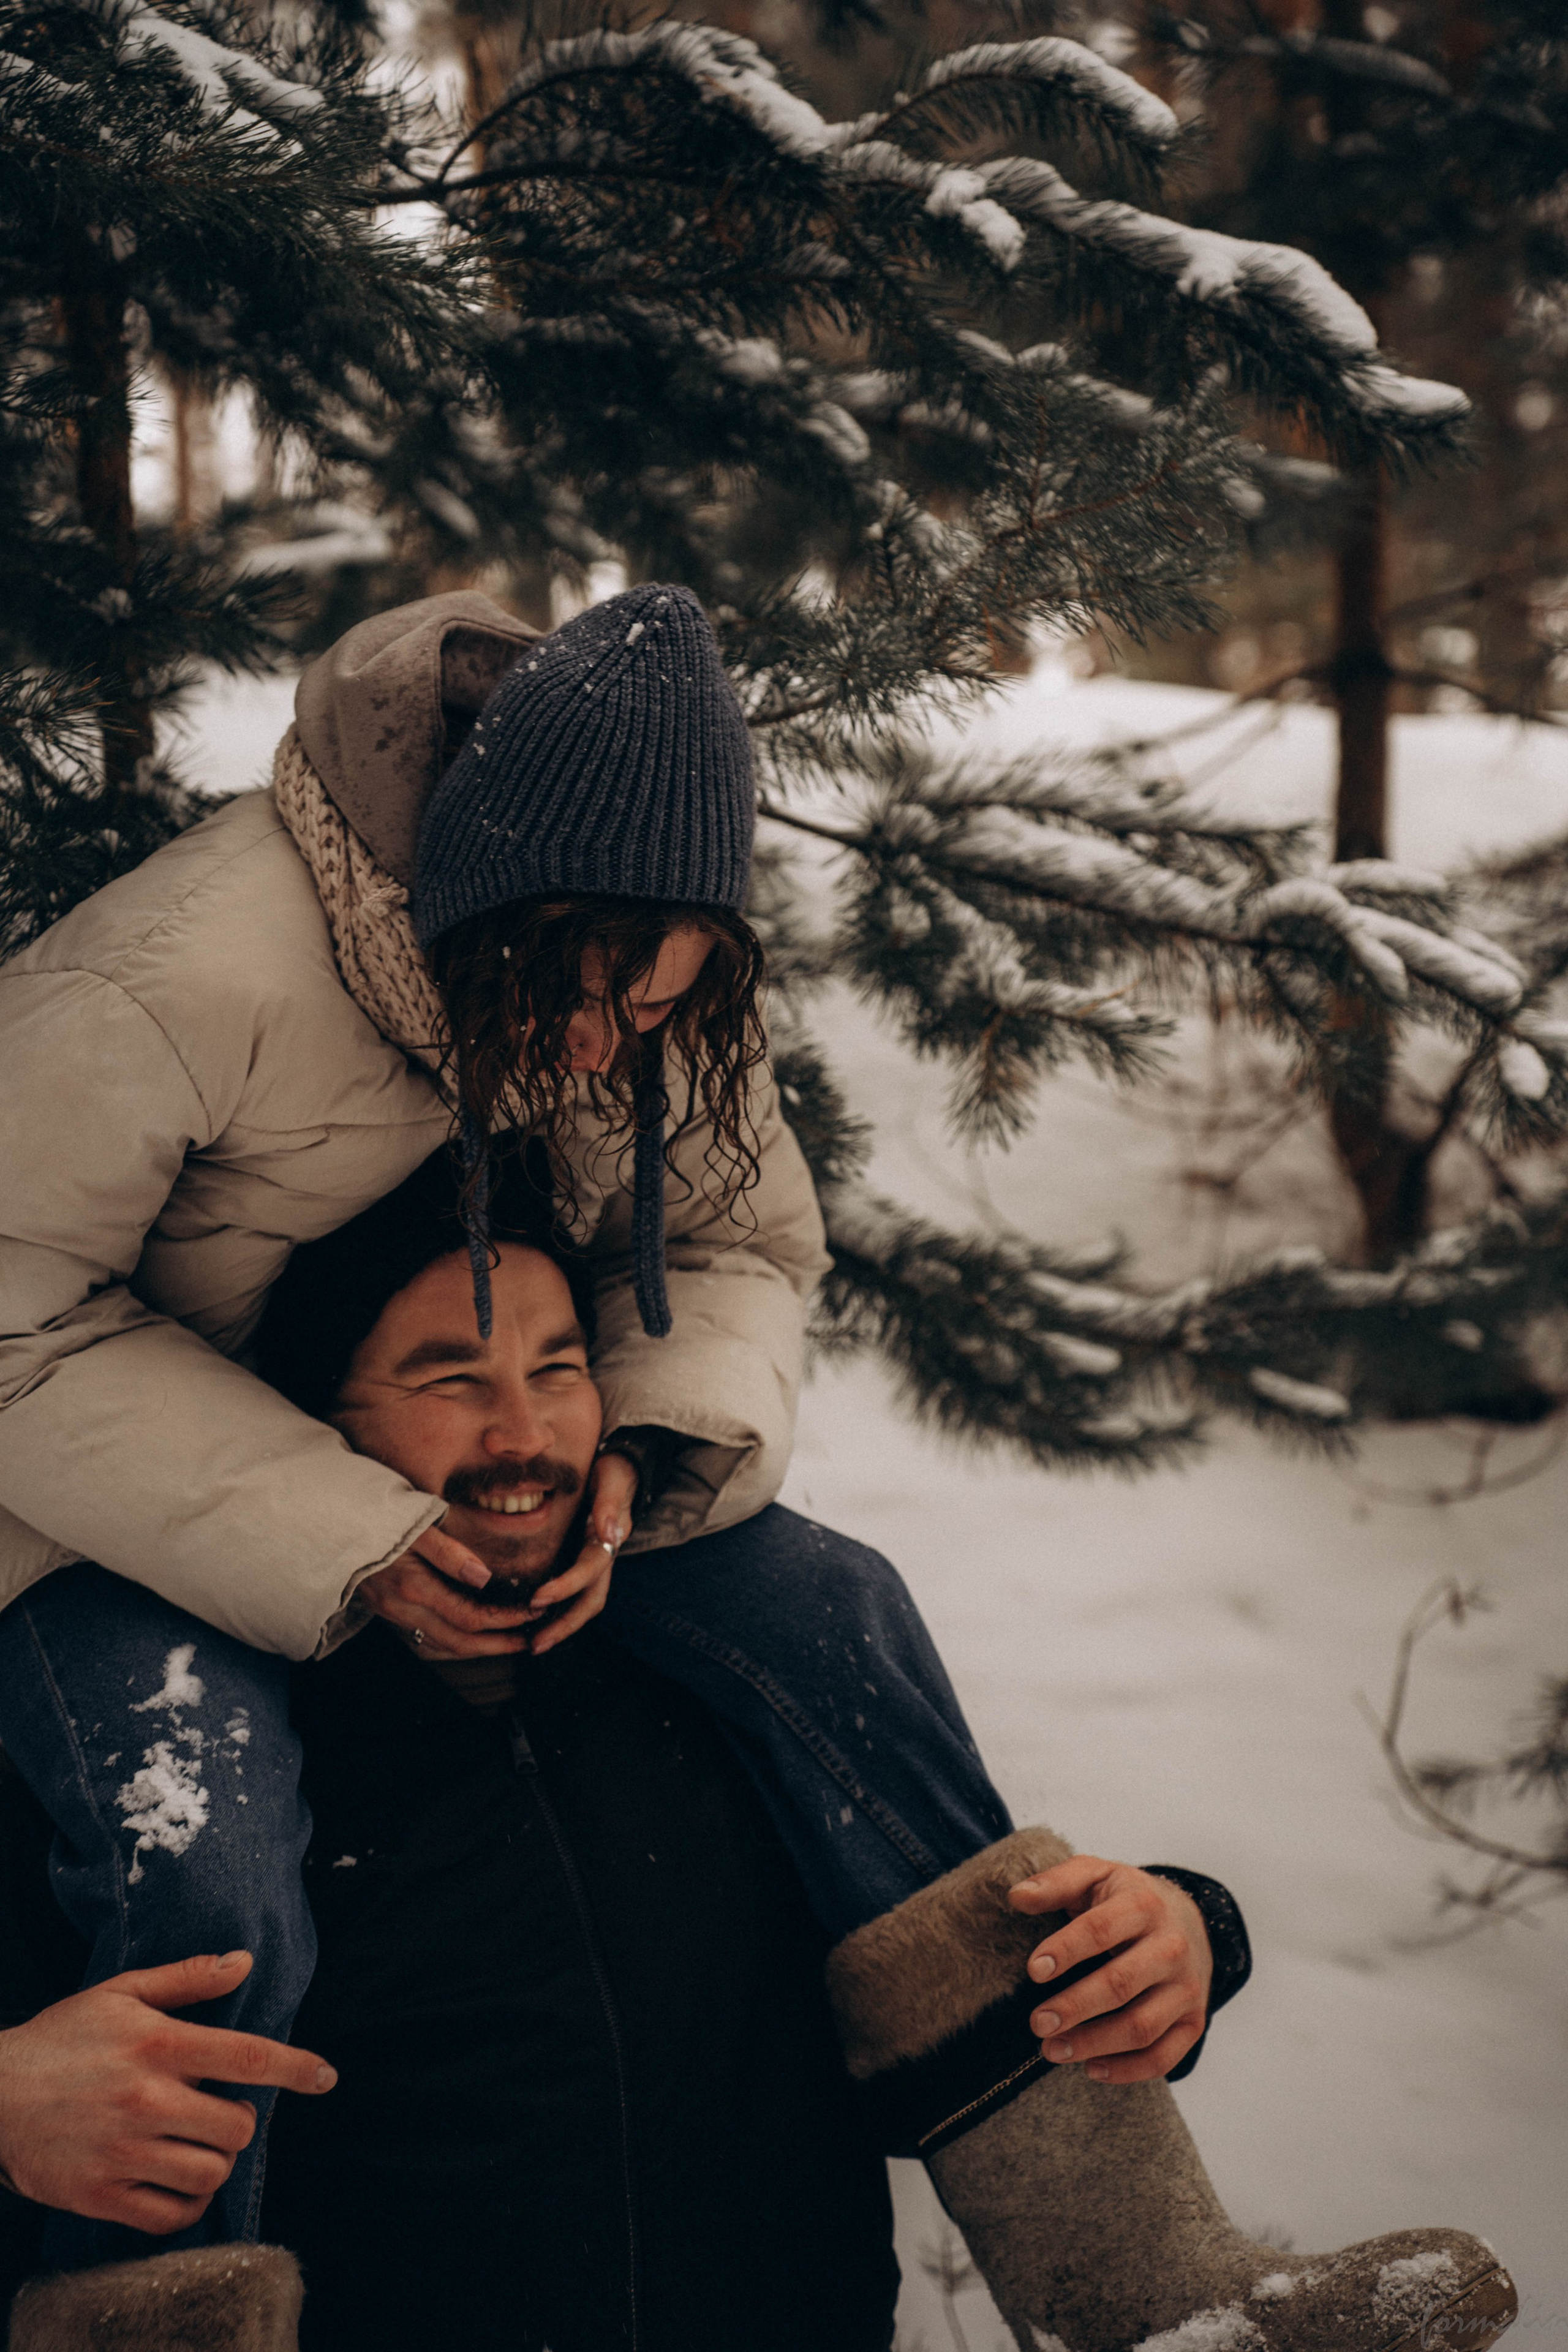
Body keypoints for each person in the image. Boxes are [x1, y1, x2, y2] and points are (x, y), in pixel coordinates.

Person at [0, 1148, 1519, 2352]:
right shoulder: (189, 1766)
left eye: (556, 1364)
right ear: (304, 1428)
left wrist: (1181, 1935)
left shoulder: (724, 1688)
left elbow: (919, 2026)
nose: (526, 1432)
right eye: (447, 1379)